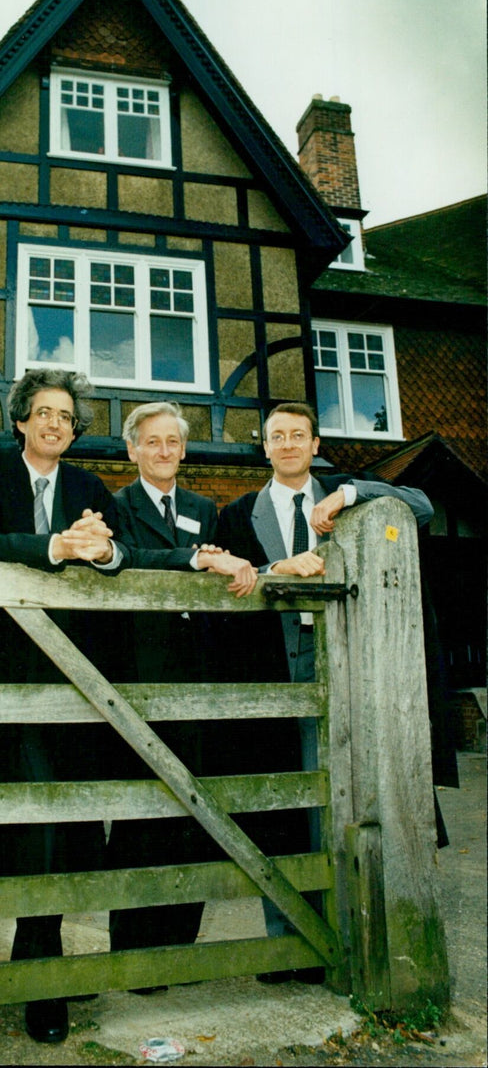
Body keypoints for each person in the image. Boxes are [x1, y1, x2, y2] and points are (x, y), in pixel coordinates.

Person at [212, 400, 433, 982]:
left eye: (298, 435)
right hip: (271, 678)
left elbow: (424, 505)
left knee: (347, 803)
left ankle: (354, 939)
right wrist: (273, 570)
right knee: (282, 809)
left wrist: (351, 495)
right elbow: (220, 586)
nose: (287, 444)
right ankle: (289, 945)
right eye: (276, 436)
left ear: (314, 444)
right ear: (264, 447)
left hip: (347, 672)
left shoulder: (343, 491)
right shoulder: (237, 513)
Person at [0, 368, 122, 1045]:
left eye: (67, 416)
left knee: (71, 826)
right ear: (20, 421)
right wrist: (56, 546)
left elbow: (122, 549)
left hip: (76, 685)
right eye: (43, 412)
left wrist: (102, 549)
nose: (55, 424)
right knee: (4, 828)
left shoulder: (88, 487)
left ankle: (40, 970)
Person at [104, 402, 257, 978]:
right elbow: (129, 562)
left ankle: (176, 953)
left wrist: (229, 563)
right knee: (143, 815)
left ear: (184, 450)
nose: (164, 450)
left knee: (195, 809)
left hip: (196, 675)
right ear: (133, 451)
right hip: (139, 674)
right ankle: (132, 954)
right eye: (152, 442)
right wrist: (193, 559)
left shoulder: (202, 509)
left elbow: (216, 574)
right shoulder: (116, 507)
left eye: (173, 441)